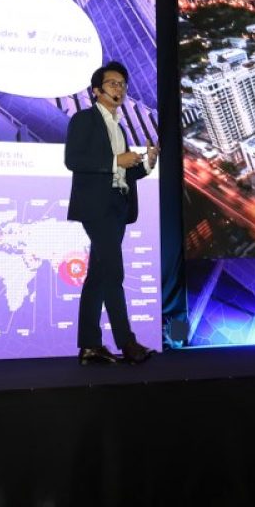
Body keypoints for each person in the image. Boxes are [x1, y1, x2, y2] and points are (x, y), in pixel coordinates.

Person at [65, 61, 158, 365]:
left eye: (122, 84)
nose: (120, 88)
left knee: (98, 276)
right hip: (96, 207)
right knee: (113, 273)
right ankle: (127, 343)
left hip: (118, 206)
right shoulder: (84, 120)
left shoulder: (118, 127)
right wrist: (117, 160)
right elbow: (73, 160)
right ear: (96, 91)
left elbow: (124, 172)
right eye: (113, 83)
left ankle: (89, 346)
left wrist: (146, 163)